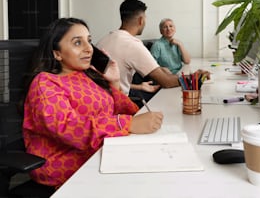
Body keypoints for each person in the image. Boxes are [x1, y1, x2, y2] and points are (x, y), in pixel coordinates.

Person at [22, 17, 163, 189]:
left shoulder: (86, 76)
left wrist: (114, 82)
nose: (89, 49)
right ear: (57, 53)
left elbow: (127, 112)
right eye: (77, 43)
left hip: (100, 151)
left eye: (89, 41)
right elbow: (69, 127)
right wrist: (125, 124)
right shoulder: (45, 83)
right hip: (64, 162)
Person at [96, 0, 180, 97]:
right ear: (141, 20)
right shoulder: (132, 44)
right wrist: (193, 77)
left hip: (101, 100)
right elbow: (166, 81)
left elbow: (110, 82)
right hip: (118, 105)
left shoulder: (103, 40)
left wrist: (139, 86)